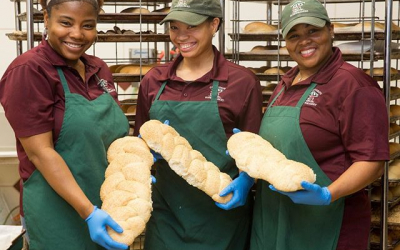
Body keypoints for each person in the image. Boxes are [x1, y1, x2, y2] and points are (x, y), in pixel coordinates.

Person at [248, 0, 390, 249]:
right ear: (285, 42)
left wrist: (328, 195)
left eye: (312, 30)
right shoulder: (285, 83)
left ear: (330, 29)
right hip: (276, 221)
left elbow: (372, 163)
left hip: (328, 226)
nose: (304, 41)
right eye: (294, 35)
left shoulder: (354, 86)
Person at [0, 0, 131, 249]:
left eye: (88, 25)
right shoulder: (29, 70)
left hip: (107, 204)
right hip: (57, 214)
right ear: (47, 19)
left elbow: (111, 137)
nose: (77, 34)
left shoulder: (99, 69)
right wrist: (89, 212)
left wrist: (134, 167)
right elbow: (40, 153)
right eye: (66, 22)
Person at [133, 0, 263, 249]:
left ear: (214, 24)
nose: (182, 36)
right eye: (174, 27)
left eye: (191, 26)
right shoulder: (153, 81)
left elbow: (256, 148)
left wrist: (247, 180)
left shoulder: (242, 82)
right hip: (167, 214)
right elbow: (139, 142)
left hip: (222, 212)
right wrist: (146, 155)